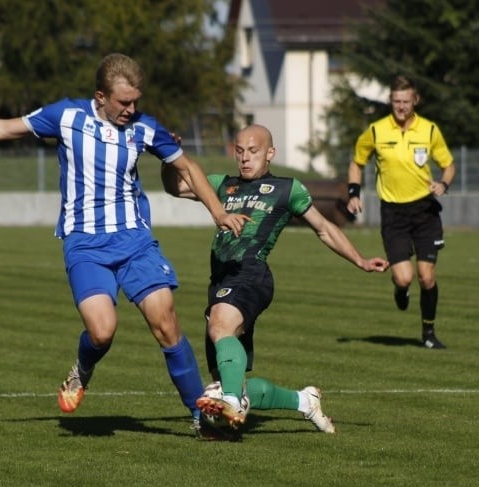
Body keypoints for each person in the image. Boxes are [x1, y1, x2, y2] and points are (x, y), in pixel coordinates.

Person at [0, 53, 247, 431]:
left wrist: (217, 212)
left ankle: (199, 415)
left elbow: (188, 167)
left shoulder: (145, 127)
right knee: (102, 331)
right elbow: (1, 128)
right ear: (100, 96)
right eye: (123, 102)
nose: (132, 109)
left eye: (136, 101)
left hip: (134, 241)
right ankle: (82, 370)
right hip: (85, 245)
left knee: (166, 321)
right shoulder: (66, 117)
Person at [162, 124, 388, 433]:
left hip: (251, 273)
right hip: (221, 280)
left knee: (220, 328)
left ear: (271, 153)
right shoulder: (222, 184)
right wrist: (167, 156)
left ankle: (229, 400)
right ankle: (303, 401)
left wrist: (360, 259)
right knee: (226, 377)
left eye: (253, 152)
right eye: (239, 151)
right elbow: (176, 187)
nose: (245, 158)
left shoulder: (287, 188)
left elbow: (324, 228)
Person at [346, 75, 455, 349]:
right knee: (404, 277)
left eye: (406, 101)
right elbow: (357, 162)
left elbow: (449, 165)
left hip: (425, 211)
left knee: (427, 276)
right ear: (390, 101)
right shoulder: (376, 131)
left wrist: (444, 183)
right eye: (396, 102)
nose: (401, 107)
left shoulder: (429, 130)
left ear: (415, 100)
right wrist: (353, 193)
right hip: (393, 214)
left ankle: (428, 334)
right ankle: (400, 289)